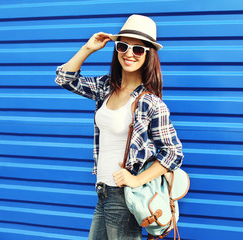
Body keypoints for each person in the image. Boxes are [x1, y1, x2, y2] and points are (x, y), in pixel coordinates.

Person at [55, 14, 184, 240]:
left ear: (148, 55)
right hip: (103, 191)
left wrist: (135, 179)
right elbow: (65, 79)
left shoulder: (150, 102)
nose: (129, 53)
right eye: (123, 46)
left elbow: (173, 153)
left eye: (138, 49)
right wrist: (88, 48)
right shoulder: (106, 87)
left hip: (123, 196)